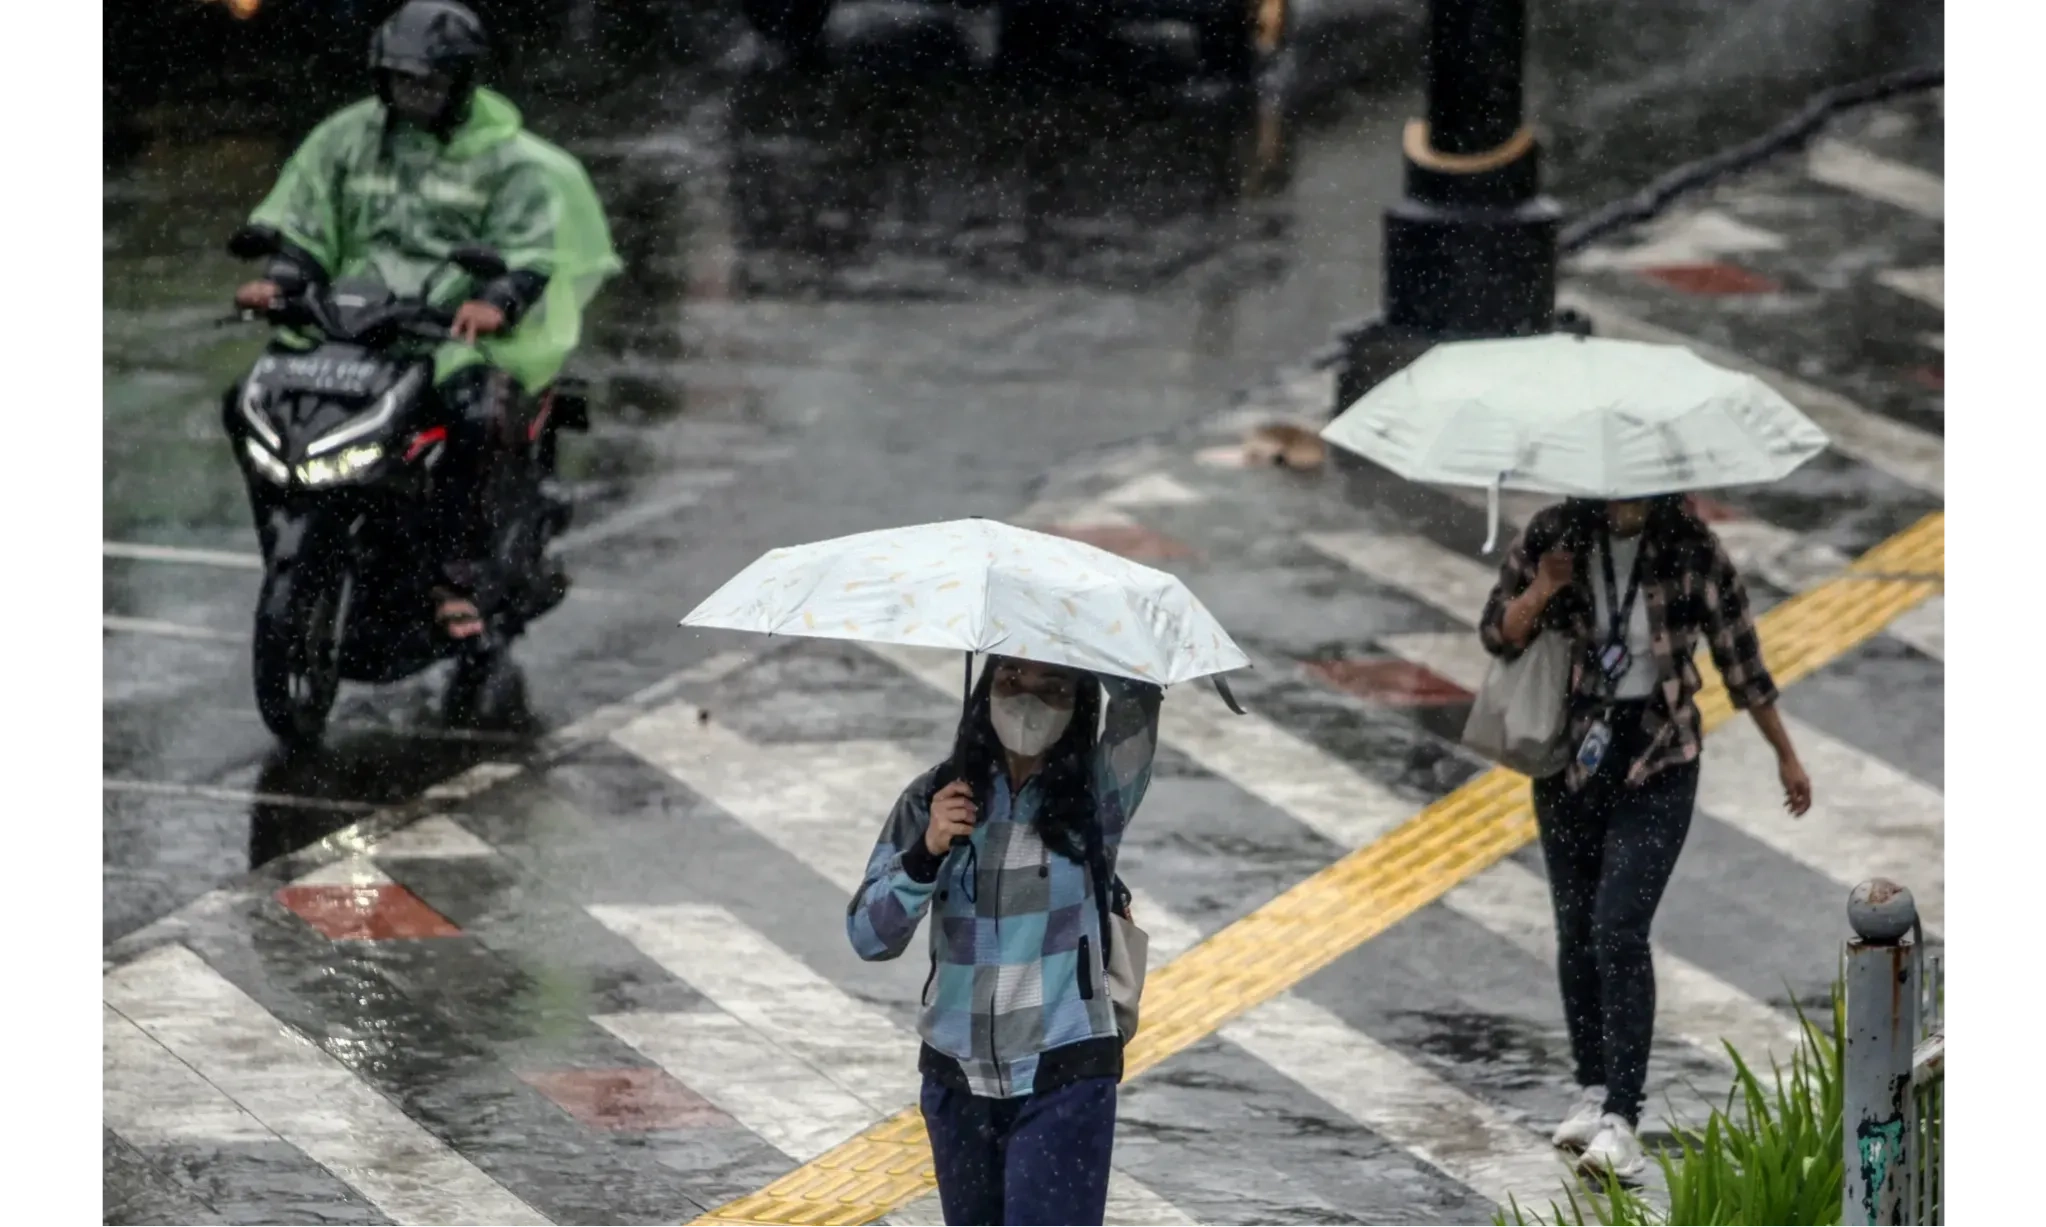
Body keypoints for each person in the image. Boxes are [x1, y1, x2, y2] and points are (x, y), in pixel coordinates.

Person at [232, 0, 620, 653]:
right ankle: (306, 535)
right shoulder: (347, 138)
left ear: (462, 82)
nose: (413, 95)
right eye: (400, 80)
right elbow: (305, 223)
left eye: (429, 83)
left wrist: (496, 297)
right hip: (357, 322)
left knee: (474, 417)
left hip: (453, 335)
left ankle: (457, 576)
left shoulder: (511, 162)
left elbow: (530, 247)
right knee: (249, 400)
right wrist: (282, 279)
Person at [1478, 494, 1813, 1179]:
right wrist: (1546, 585)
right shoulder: (1554, 532)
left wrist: (1785, 752)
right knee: (1576, 924)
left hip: (1659, 755)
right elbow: (1497, 632)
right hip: (1570, 756)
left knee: (1619, 924)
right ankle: (1593, 1088)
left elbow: (1739, 659)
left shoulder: (1691, 545)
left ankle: (1624, 1117)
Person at [847, 655, 1163, 1226]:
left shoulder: (1099, 794)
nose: (1028, 699)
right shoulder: (933, 798)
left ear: (1081, 701)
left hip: (1066, 1073)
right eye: (1011, 679)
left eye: (1054, 687)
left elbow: (1140, 699)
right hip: (955, 1078)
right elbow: (869, 936)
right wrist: (926, 852)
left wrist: (1081, 632)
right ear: (984, 689)